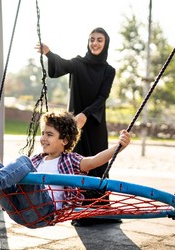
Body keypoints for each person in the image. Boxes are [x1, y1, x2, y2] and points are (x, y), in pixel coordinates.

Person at [0, 111, 130, 228]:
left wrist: (119, 147)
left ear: (65, 140)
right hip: (19, 209)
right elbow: (5, 175)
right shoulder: (37, 159)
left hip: (43, 212)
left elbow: (95, 160)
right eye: (43, 133)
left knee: (24, 163)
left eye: (49, 134)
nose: (43, 138)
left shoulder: (71, 161)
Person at [36, 27, 116, 226]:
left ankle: (100, 209)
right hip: (74, 127)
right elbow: (60, 66)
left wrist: (86, 115)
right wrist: (49, 53)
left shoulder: (109, 70)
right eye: (92, 40)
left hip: (95, 123)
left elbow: (102, 97)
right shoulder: (79, 63)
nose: (95, 43)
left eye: (99, 40)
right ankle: (80, 210)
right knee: (77, 163)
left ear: (105, 44)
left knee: (98, 164)